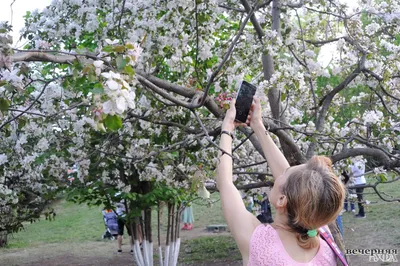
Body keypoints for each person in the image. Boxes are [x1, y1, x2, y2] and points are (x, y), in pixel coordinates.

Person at [216, 97, 346, 265]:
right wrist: (257, 125)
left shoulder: (260, 244)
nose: (280, 173)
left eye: (284, 174)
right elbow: (293, 186)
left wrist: (227, 127)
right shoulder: (321, 234)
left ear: (282, 200)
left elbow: (225, 182)